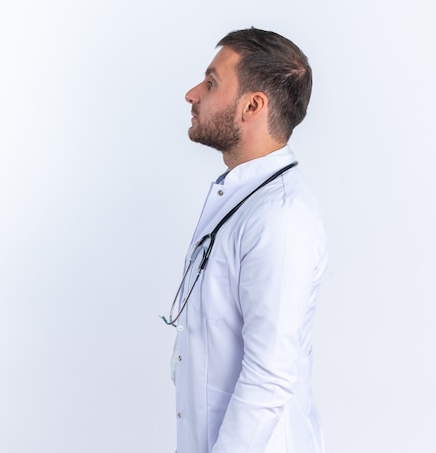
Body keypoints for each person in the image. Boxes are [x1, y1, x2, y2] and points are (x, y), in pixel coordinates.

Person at [164, 27, 328, 453]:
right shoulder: (240, 196)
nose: (192, 93)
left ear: (253, 105)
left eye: (212, 82)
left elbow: (268, 376)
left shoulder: (280, 217)